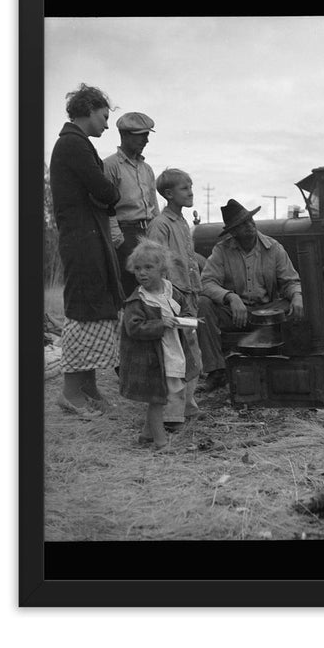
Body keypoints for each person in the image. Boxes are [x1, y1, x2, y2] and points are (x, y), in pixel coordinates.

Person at [49, 83, 124, 413]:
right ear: (88, 110)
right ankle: (70, 391)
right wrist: (107, 193)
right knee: (83, 308)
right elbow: (107, 193)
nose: (107, 125)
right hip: (82, 240)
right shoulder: (73, 146)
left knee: (96, 304)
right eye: (104, 116)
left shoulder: (77, 145)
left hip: (89, 236)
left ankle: (88, 386)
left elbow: (103, 195)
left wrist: (104, 195)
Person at [198, 199, 304, 390]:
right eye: (242, 224)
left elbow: (290, 282)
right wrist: (231, 297)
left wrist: (297, 295)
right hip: (235, 313)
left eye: (250, 220)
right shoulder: (221, 250)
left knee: (293, 304)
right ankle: (216, 371)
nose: (249, 226)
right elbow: (206, 283)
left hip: (267, 313)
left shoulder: (273, 248)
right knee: (203, 304)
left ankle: (289, 365)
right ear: (233, 231)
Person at [118, 239, 199, 449]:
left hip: (172, 351)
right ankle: (161, 442)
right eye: (137, 268)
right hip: (151, 358)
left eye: (148, 267)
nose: (142, 273)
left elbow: (186, 309)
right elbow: (134, 328)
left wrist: (190, 321)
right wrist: (160, 324)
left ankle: (146, 435)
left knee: (164, 394)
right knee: (158, 398)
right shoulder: (138, 301)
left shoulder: (171, 290)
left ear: (162, 268)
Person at [147, 169, 205, 429]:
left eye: (191, 185)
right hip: (173, 298)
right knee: (175, 355)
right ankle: (171, 416)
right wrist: (168, 298)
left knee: (191, 352)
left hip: (189, 294)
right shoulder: (161, 224)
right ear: (169, 194)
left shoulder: (182, 222)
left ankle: (187, 407)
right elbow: (156, 261)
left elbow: (187, 259)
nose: (191, 191)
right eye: (185, 187)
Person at [103, 111, 160, 296]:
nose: (146, 141)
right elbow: (104, 205)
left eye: (147, 135)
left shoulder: (147, 169)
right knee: (129, 287)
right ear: (125, 135)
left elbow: (154, 205)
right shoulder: (110, 166)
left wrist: (157, 234)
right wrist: (117, 239)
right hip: (124, 233)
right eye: (142, 136)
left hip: (147, 234)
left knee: (152, 287)